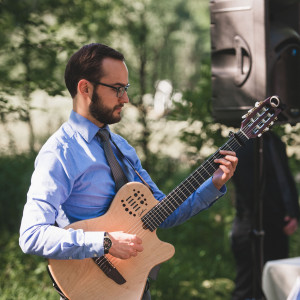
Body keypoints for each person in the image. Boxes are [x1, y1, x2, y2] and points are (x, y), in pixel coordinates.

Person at [19, 43, 238, 299]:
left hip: (133, 285)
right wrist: (104, 242)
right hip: (88, 287)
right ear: (85, 88)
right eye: (117, 89)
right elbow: (31, 235)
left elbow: (163, 213)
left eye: (126, 88)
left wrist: (212, 184)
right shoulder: (60, 152)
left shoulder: (121, 148)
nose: (125, 98)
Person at [230, 131, 299, 300]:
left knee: (275, 289)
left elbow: (285, 179)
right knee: (247, 288)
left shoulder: (275, 141)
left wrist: (293, 213)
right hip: (251, 228)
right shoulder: (241, 145)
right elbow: (251, 193)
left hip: (278, 227)